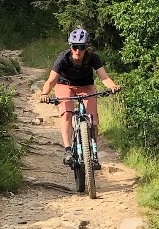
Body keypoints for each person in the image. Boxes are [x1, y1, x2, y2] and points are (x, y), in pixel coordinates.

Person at [40, 27, 119, 167]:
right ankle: (68, 151)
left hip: (86, 86)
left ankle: (93, 153)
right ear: (71, 47)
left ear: (86, 48)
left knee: (92, 119)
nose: (78, 51)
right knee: (67, 113)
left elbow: (104, 77)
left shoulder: (93, 58)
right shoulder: (63, 58)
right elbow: (51, 80)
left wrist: (112, 86)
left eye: (81, 47)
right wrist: (44, 94)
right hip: (65, 85)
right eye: (75, 47)